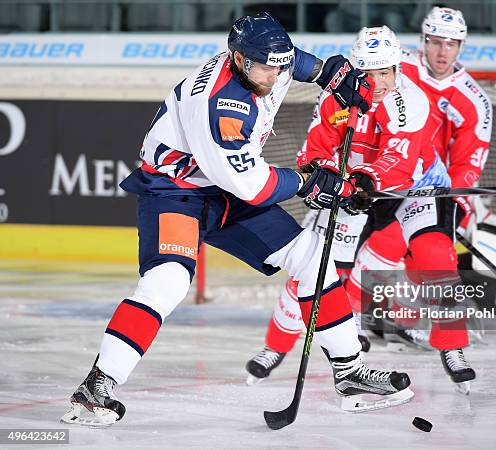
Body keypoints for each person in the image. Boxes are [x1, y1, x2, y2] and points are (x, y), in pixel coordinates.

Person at [60, 12, 414, 427]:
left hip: (222, 185)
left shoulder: (265, 62)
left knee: (312, 256)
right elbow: (253, 187)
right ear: (239, 60)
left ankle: (349, 372)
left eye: (279, 64)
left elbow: (293, 61)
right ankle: (97, 386)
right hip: (177, 193)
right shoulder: (221, 106)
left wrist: (327, 73)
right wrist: (310, 184)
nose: (275, 73)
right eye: (266, 66)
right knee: (168, 281)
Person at [245, 25, 449, 383]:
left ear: (397, 69)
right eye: (369, 72)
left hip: (401, 192)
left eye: (385, 71)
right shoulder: (335, 100)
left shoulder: (412, 101)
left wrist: (364, 181)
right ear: (357, 71)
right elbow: (316, 148)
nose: (379, 81)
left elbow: (398, 162)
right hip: (352, 189)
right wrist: (324, 176)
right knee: (316, 267)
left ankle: (353, 325)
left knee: (381, 260)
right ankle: (277, 344)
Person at [345, 7, 492, 394]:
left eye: (452, 43)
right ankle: (357, 323)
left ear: (461, 45)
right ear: (423, 41)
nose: (443, 52)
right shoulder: (395, 65)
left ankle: (443, 340)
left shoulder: (474, 99)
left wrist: (457, 200)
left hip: (427, 181)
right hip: (382, 179)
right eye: (436, 41)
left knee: (432, 258)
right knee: (377, 253)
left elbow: (469, 159)